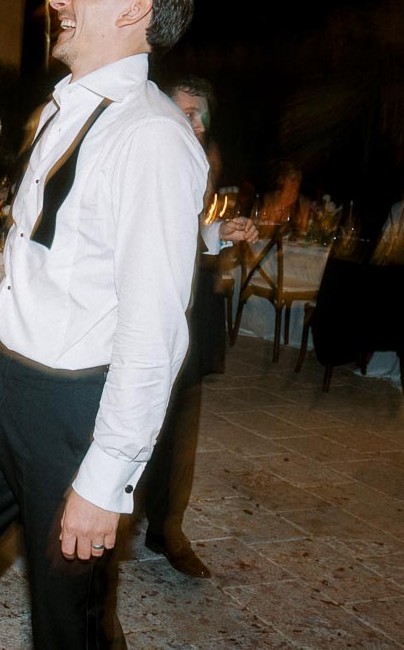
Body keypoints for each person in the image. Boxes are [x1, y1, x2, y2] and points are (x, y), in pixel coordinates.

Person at [0, 0, 207, 648]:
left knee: (66, 623)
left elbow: (154, 326)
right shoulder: (59, 110)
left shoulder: (153, 138)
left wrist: (106, 480)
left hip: (72, 405)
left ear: (134, 11)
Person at [137, 76, 258, 580]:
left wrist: (215, 232)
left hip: (185, 313)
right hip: (137, 313)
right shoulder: (140, 151)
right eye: (189, 112)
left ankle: (167, 529)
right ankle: (111, 518)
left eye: (203, 114)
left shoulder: (202, 158)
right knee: (131, 419)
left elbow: (182, 229)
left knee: (180, 426)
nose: (200, 123)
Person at [258, 161, 312, 235]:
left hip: (293, 243)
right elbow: (264, 225)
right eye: (293, 179)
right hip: (271, 239)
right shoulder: (270, 198)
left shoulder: (304, 202)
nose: (296, 183)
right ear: (282, 180)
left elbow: (304, 230)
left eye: (298, 180)